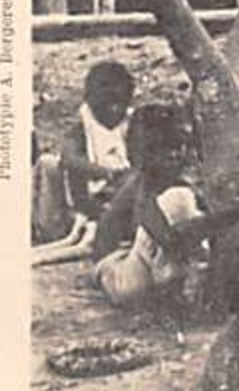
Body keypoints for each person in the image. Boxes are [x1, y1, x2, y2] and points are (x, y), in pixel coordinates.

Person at [90, 104, 211, 312]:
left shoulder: (177, 182)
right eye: (162, 150)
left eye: (179, 147)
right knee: (180, 200)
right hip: (119, 274)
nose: (174, 155)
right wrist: (228, 216)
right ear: (142, 154)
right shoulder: (142, 185)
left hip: (138, 268)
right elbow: (170, 237)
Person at [31, 61, 135, 248]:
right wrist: (107, 173)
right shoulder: (83, 127)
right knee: (48, 164)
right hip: (81, 203)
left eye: (119, 103)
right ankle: (50, 230)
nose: (114, 110)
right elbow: (69, 158)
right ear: (92, 101)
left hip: (118, 201)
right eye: (107, 104)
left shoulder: (132, 125)